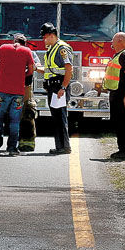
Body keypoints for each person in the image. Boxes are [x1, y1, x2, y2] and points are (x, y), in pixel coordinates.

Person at [0, 33, 36, 156]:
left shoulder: (4, 47)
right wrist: (21, 74)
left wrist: (2, 69)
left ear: (14, 41)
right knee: (14, 121)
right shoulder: (27, 51)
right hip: (18, 92)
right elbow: (31, 70)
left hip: (1, 90)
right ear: (24, 43)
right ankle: (12, 148)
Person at [36, 22, 73, 155]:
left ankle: (65, 146)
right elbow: (50, 70)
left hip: (59, 87)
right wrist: (36, 68)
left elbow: (69, 69)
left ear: (51, 35)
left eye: (44, 37)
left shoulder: (62, 48)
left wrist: (63, 87)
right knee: (56, 118)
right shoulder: (52, 49)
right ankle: (60, 146)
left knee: (60, 117)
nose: (43, 40)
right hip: (54, 86)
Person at [103, 32, 125, 161]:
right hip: (116, 93)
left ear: (120, 40)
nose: (111, 42)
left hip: (122, 94)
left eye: (113, 40)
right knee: (118, 122)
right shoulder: (119, 55)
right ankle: (122, 149)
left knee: (122, 122)